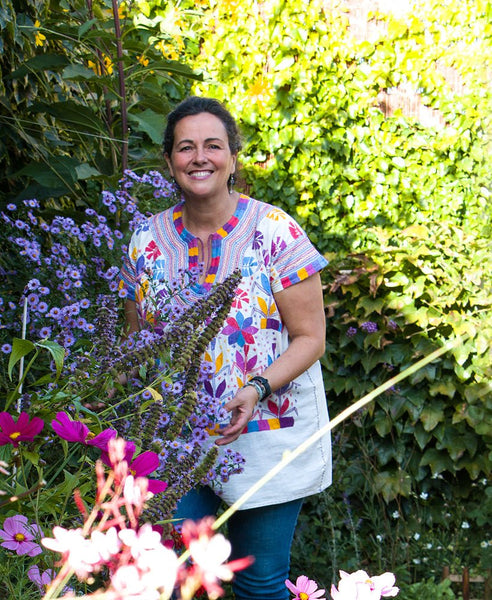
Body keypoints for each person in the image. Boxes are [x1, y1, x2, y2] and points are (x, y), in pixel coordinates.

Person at [118, 96, 332, 600]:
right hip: (177, 442)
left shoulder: (276, 231)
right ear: (168, 161)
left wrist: (256, 387)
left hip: (266, 439)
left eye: (213, 146)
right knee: (167, 582)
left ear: (233, 157)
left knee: (259, 586)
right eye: (185, 147)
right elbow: (134, 346)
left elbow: (311, 338)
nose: (199, 158)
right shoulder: (144, 241)